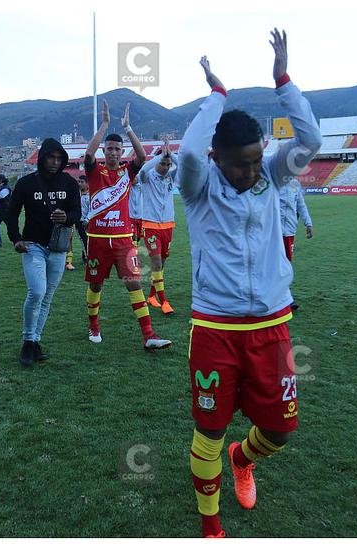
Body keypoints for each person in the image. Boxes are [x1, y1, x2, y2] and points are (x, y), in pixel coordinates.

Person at [178, 30, 322, 538]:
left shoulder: (272, 176)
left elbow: (311, 142)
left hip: (272, 325)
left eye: (257, 159)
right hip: (215, 328)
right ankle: (211, 526)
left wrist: (283, 80)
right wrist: (217, 97)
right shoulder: (198, 185)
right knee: (209, 428)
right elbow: (190, 154)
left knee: (281, 430)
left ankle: (244, 459)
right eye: (241, 162)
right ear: (218, 157)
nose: (252, 169)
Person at [83, 100, 171, 350]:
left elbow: (142, 156)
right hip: (98, 240)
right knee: (96, 284)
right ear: (105, 151)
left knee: (133, 283)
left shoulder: (127, 173)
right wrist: (104, 125)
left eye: (117, 149)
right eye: (109, 148)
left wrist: (128, 127)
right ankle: (94, 325)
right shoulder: (94, 171)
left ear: (122, 153)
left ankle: (149, 335)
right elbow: (88, 155)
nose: (113, 152)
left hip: (123, 239)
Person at [4, 138, 82, 366]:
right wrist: (16, 239)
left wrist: (66, 217)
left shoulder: (69, 182)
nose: (55, 162)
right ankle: (28, 341)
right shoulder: (27, 183)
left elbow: (78, 213)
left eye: (59, 158)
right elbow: (11, 213)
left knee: (47, 297)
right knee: (37, 291)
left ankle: (34, 343)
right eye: (51, 157)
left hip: (58, 248)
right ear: (42, 157)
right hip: (33, 245)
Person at [136, 140, 179, 315]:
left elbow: (182, 165)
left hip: (168, 225)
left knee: (161, 263)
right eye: (163, 163)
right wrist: (161, 155)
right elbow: (143, 169)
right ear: (157, 161)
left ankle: (152, 296)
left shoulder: (171, 176)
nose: (166, 167)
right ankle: (164, 301)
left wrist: (170, 154)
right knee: (156, 262)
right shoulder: (147, 177)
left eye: (168, 164)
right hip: (151, 225)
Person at [278, 178, 313, 310]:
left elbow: (301, 205)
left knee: (286, 265)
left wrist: (308, 223)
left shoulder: (295, 184)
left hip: (289, 231)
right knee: (273, 264)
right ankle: (282, 298)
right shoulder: (273, 180)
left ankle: (285, 297)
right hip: (273, 231)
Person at [76, 175, 90, 264]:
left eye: (82, 182)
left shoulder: (91, 195)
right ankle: (87, 259)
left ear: (87, 183)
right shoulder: (76, 194)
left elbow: (93, 208)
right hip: (79, 221)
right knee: (83, 239)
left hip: (89, 221)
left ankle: (87, 257)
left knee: (90, 240)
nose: (79, 184)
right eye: (79, 182)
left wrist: (87, 219)